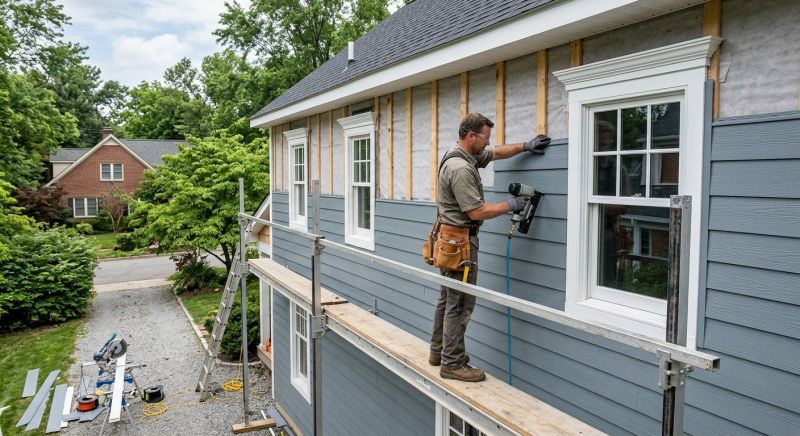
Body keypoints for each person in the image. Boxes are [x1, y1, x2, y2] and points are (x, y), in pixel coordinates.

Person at [430, 112, 550, 382]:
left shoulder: (460, 155)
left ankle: (439, 351)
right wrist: (511, 205)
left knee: (447, 299)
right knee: (459, 304)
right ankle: (452, 363)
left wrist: (526, 146)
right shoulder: (460, 169)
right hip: (460, 244)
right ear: (471, 136)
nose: (487, 143)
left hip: (450, 239)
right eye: (484, 138)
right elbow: (476, 212)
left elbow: (495, 154)